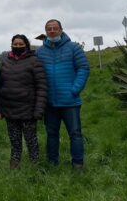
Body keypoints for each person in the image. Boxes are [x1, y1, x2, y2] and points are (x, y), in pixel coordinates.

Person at [36, 19, 90, 169]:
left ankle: (78, 164)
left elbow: (83, 69)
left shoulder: (74, 48)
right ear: (45, 32)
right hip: (50, 102)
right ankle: (52, 163)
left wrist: (74, 90)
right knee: (51, 134)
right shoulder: (40, 52)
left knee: (75, 134)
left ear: (61, 30)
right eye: (49, 29)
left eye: (55, 28)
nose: (52, 31)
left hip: (70, 102)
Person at [0, 34, 47, 169]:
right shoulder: (5, 61)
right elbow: (0, 86)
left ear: (26, 45)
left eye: (21, 44)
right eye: (15, 44)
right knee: (15, 141)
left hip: (28, 110)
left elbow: (41, 87)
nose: (18, 46)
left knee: (31, 141)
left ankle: (35, 165)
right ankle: (14, 164)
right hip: (9, 109)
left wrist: (39, 110)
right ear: (11, 45)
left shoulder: (34, 61)